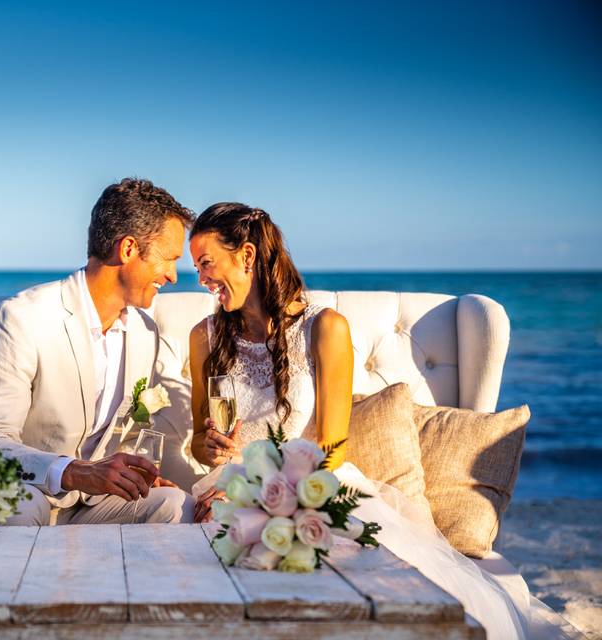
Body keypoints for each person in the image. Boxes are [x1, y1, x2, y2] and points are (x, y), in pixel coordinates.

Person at [187, 202, 577, 639]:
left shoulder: (325, 328)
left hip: (307, 486)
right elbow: (200, 443)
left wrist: (270, 495)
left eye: (206, 263)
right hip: (227, 492)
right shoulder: (205, 337)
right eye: (196, 268)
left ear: (247, 256)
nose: (201, 278)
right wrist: (211, 449)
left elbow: (331, 449)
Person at [0, 178, 196, 526]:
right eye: (169, 258)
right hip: (24, 491)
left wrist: (129, 474)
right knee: (16, 508)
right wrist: (74, 472)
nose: (173, 275)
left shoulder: (145, 333)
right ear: (129, 249)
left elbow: (115, 437)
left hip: (93, 504)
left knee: (177, 506)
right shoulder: (21, 319)